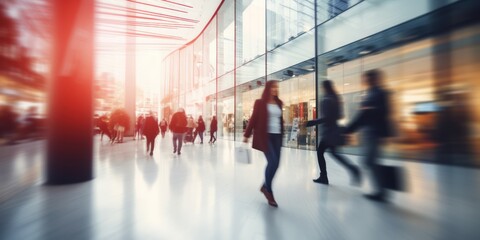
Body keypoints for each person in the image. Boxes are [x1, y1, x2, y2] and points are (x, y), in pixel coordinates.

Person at [344, 69, 393, 202]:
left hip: (375, 133)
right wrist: (350, 128)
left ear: (374, 79)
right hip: (370, 132)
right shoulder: (371, 93)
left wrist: (350, 128)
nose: (365, 81)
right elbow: (363, 116)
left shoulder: (379, 93)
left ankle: (381, 191)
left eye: (367, 79)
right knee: (370, 161)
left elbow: (383, 112)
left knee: (369, 161)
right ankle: (381, 190)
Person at [305, 80, 361, 185]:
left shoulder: (327, 99)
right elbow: (340, 115)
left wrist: (312, 122)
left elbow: (326, 118)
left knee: (320, 152)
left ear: (324, 88)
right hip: (334, 130)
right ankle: (352, 169)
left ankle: (324, 177)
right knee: (334, 153)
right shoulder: (336, 97)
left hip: (328, 132)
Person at [243, 80, 284, 207]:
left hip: (277, 136)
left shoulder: (279, 102)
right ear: (268, 88)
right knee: (272, 162)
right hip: (265, 136)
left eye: (276, 87)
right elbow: (253, 119)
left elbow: (280, 119)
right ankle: (269, 191)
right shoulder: (260, 103)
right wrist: (246, 135)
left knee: (276, 164)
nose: (275, 89)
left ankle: (265, 186)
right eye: (273, 87)